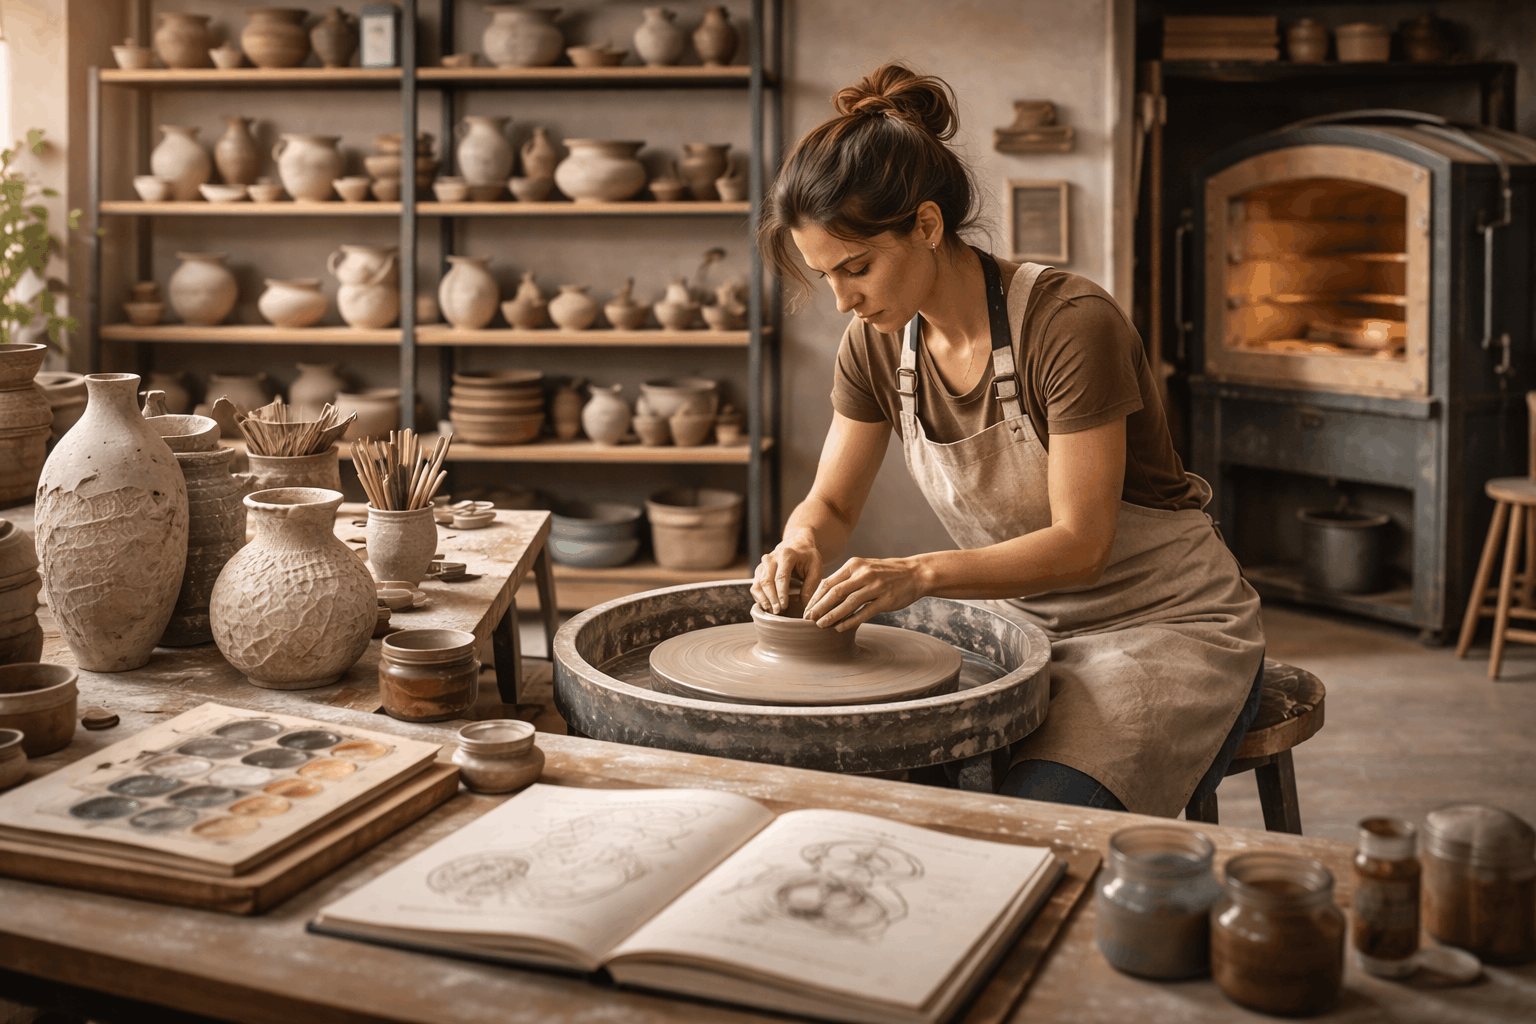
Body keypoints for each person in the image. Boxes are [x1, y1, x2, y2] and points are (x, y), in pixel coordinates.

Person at [750, 63, 1265, 817]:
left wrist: (918, 574)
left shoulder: (1068, 324)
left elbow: (1081, 545)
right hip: (1017, 627)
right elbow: (829, 502)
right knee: (879, 791)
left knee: (1032, 824)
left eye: (856, 268)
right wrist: (798, 542)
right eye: (825, 275)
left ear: (927, 226)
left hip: (1163, 629)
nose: (843, 302)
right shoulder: (875, 345)